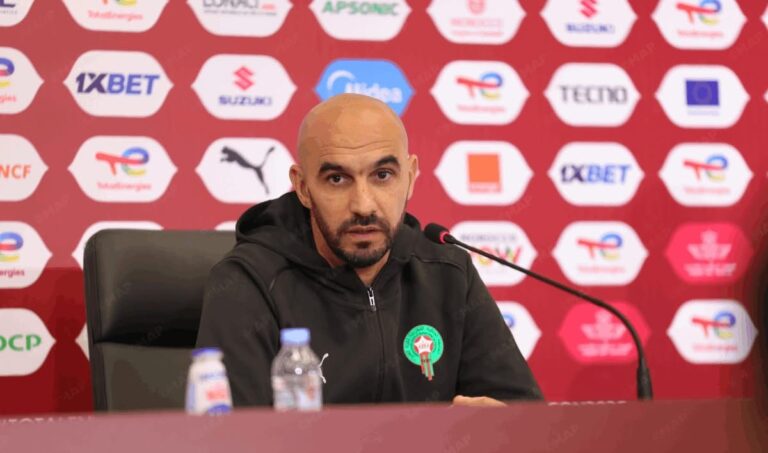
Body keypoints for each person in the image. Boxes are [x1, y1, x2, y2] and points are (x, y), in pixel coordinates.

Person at [195, 94, 542, 407]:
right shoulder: (249, 282)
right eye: (337, 179)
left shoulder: (449, 272)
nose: (363, 205)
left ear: (410, 177)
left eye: (383, 175)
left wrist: (500, 428)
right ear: (302, 187)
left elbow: (522, 416)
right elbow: (234, 439)